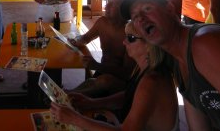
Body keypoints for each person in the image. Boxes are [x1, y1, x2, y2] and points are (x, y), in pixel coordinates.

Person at [121, 0, 220, 131]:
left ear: (169, 9)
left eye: (147, 8)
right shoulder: (177, 62)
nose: (141, 18)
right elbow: (198, 126)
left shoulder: (205, 44)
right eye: (135, 17)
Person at [50, 21, 178, 131]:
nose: (124, 42)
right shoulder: (144, 67)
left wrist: (76, 119)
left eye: (131, 38)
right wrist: (91, 103)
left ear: (150, 45)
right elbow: (129, 96)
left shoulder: (152, 80)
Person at [68, 0, 136, 97]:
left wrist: (97, 66)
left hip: (119, 83)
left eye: (113, 4)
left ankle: (67, 95)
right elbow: (86, 37)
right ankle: (67, 94)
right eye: (108, 1)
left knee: (104, 81)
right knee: (92, 81)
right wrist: (78, 41)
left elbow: (127, 73)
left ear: (124, 11)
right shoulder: (102, 23)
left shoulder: (130, 34)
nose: (107, 6)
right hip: (101, 71)